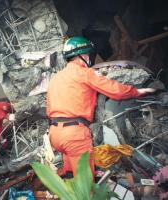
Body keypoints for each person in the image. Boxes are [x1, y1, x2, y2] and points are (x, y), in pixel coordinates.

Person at [46, 36, 156, 177]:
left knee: (71, 175)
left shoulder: (56, 78)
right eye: (88, 54)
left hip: (55, 134)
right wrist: (137, 91)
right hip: (74, 135)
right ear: (82, 55)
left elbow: (48, 108)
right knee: (85, 183)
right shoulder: (85, 73)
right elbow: (113, 90)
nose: (90, 57)